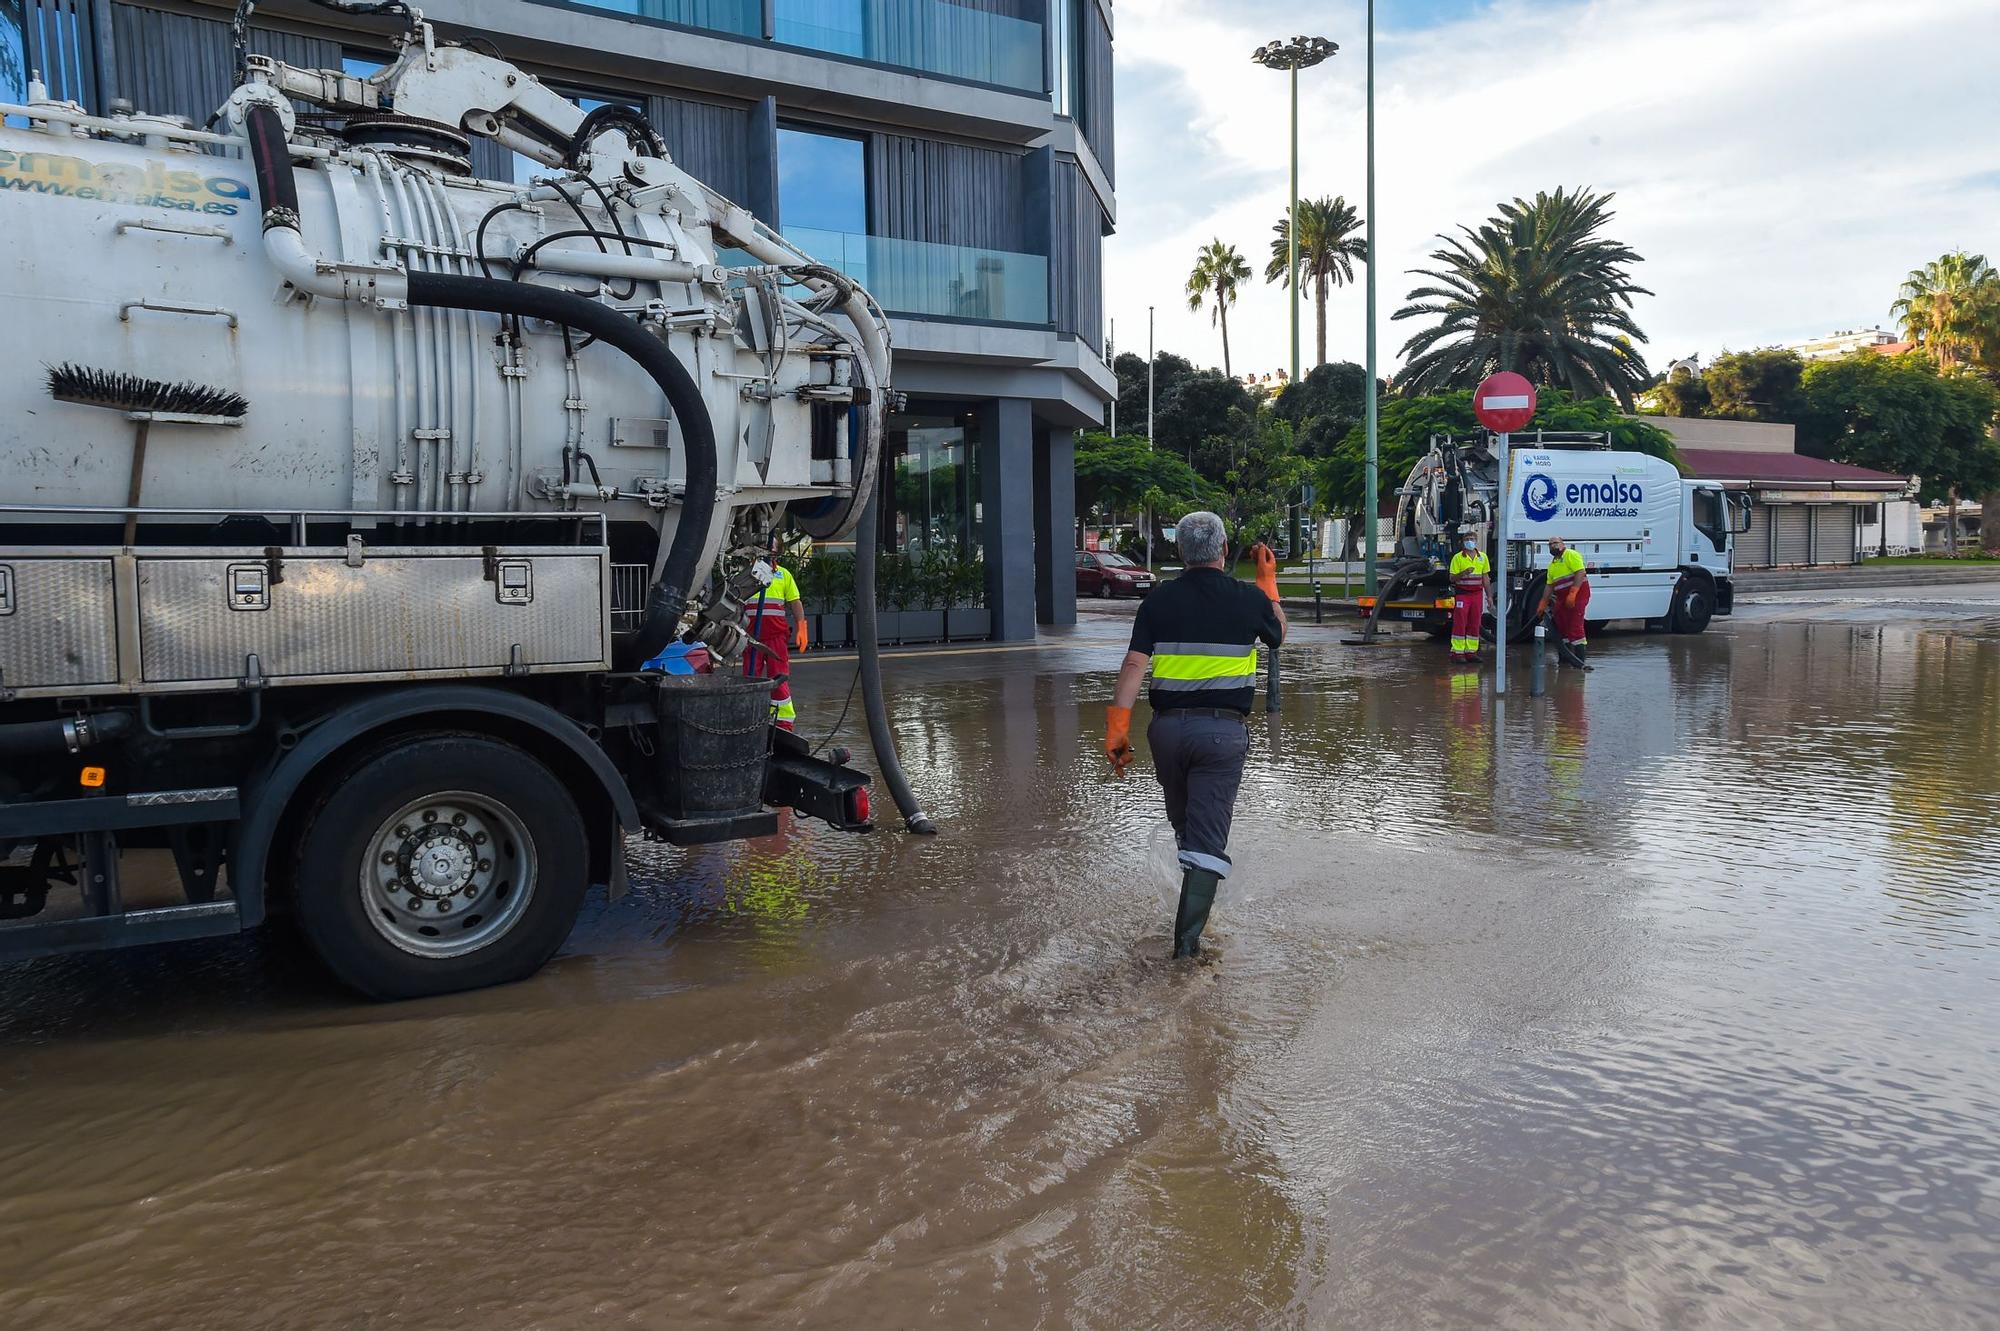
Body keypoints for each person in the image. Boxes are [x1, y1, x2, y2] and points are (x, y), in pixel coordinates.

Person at [1103, 513, 1285, 959]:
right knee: (1205, 842)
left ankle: (1192, 905)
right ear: (1223, 550)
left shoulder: (1159, 601)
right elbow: (1278, 635)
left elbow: (1132, 666)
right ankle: (1186, 951)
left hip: (1166, 734)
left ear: (1181, 553)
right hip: (1221, 735)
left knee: (1187, 828)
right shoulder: (1248, 598)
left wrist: (1118, 733)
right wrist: (1267, 581)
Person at [744, 549, 809, 729]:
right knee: (750, 680)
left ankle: (783, 722)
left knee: (778, 678)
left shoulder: (783, 574)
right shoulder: (746, 575)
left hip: (775, 636)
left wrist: (801, 626)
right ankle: (749, 717)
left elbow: (795, 601)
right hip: (751, 637)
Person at [1538, 536, 1592, 669]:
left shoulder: (1571, 555)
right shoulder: (1552, 565)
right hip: (1562, 598)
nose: (1553, 546)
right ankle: (1565, 660)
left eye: (1555, 543)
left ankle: (1580, 662)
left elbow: (1580, 572)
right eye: (1550, 544)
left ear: (1563, 544)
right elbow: (1549, 585)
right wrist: (1543, 602)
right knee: (1562, 627)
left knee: (1575, 627)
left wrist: (1573, 593)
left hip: (1578, 596)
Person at [1447, 532, 1491, 664]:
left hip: (1477, 594)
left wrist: (1489, 596)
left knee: (1475, 622)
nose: (1470, 541)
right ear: (1463, 542)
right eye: (1467, 539)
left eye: (1472, 539)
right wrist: (1464, 573)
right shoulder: (1458, 558)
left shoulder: (1482, 557)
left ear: (1476, 541)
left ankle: (1471, 651)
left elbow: (1486, 578)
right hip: (1463, 594)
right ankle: (1457, 652)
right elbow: (1452, 578)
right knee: (1460, 622)